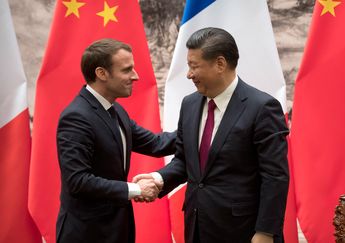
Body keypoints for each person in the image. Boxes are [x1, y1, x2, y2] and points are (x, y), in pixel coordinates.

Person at [134, 27, 289, 243]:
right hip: (197, 226)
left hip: (243, 231)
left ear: (220, 64)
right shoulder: (189, 104)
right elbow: (186, 159)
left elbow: (275, 177)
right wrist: (159, 179)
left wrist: (265, 232)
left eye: (193, 66)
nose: (189, 74)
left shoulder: (262, 107)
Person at [56, 38, 176, 243]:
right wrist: (136, 189)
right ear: (101, 73)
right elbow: (77, 181)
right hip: (87, 234)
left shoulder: (115, 110)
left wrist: (201, 128)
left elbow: (157, 144)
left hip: (118, 229)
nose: (135, 76)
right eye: (127, 70)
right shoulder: (76, 117)